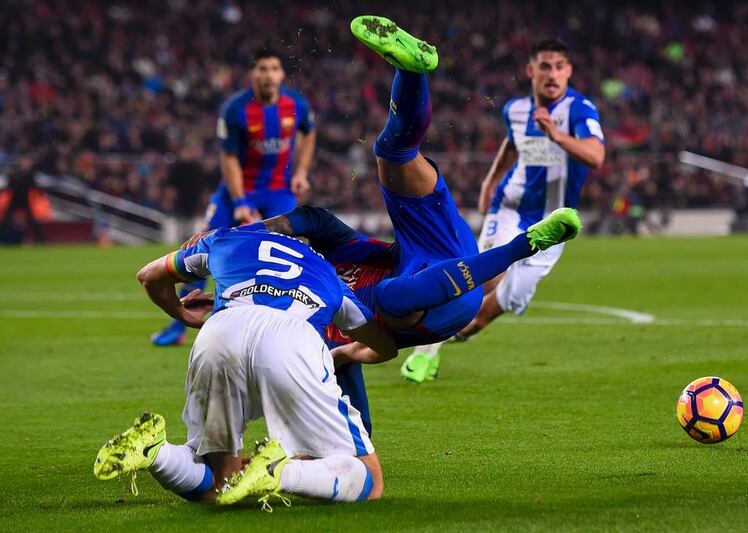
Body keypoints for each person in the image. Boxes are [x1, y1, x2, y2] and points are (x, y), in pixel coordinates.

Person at [182, 16, 582, 432]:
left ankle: (411, 70)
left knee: (392, 153)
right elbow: (343, 361)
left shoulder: (320, 275)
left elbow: (313, 219)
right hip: (442, 304)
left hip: (422, 249)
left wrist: (234, 234)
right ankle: (528, 243)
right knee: (391, 301)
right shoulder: (322, 308)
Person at [94, 226, 396, 507]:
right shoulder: (329, 276)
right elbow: (383, 347)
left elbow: (148, 275)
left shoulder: (225, 239)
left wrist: (183, 315)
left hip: (221, 331)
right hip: (292, 337)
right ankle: (280, 472)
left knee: (220, 485)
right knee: (371, 480)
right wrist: (341, 355)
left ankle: (156, 452)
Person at [402, 38, 606, 383]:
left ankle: (442, 336)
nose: (552, 74)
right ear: (531, 71)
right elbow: (512, 143)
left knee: (493, 310)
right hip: (511, 206)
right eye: (544, 66)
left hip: (554, 221)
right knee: (485, 274)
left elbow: (596, 155)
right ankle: (424, 352)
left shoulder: (580, 111)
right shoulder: (515, 109)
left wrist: (556, 135)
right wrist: (491, 180)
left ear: (569, 71)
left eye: (559, 66)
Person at [151, 45, 317, 346]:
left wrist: (302, 171)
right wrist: (240, 202)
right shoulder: (236, 109)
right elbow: (228, 160)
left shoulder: (297, 106)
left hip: (278, 192)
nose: (269, 75)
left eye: (274, 69)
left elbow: (309, 132)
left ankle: (285, 324)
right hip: (235, 192)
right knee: (199, 247)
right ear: (252, 73)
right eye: (262, 69)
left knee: (287, 253)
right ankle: (178, 325)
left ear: (282, 73)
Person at [1, 156, 46, 243]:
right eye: (25, 162)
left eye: (28, 163)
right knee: (5, 220)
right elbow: (9, 187)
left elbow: (35, 188)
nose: (26, 164)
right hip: (14, 200)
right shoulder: (14, 174)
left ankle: (41, 239)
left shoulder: (30, 175)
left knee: (32, 220)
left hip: (25, 201)